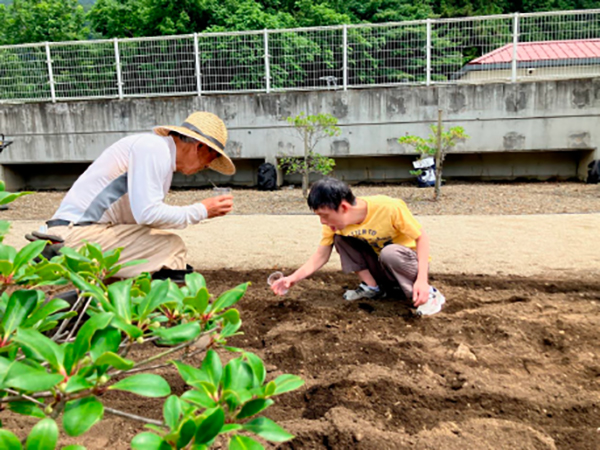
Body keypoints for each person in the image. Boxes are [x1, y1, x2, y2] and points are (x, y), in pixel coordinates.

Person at [30, 111, 235, 279]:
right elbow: (148, 214)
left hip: (79, 231)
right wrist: (202, 210)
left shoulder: (157, 154)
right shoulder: (155, 149)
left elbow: (143, 220)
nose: (208, 165)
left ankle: (116, 318)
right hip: (76, 234)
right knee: (170, 248)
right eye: (212, 156)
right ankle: (165, 325)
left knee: (147, 248)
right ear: (199, 146)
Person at [270, 177, 445, 310]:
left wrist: (421, 279)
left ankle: (427, 295)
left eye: (325, 215)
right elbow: (321, 256)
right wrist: (292, 279)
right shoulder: (334, 226)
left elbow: (421, 237)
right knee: (341, 239)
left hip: (408, 265)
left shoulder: (389, 207)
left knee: (389, 252)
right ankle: (372, 287)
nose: (322, 221)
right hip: (382, 266)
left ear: (344, 208)